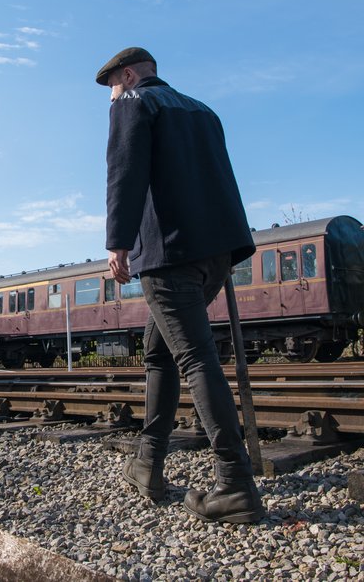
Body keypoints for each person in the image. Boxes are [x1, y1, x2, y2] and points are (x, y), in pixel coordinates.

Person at [96, 47, 265, 524]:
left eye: (111, 87)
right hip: (216, 252)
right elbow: (219, 178)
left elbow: (123, 171)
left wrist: (118, 242)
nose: (111, 99)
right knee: (160, 349)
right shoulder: (201, 109)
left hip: (169, 252)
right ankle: (148, 463)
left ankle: (234, 484)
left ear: (127, 76)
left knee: (192, 356)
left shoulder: (134, 104)